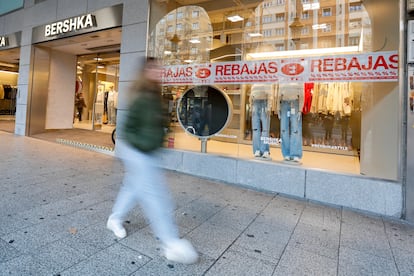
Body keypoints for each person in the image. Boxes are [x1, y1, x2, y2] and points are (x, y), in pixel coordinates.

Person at [106, 57, 199, 264]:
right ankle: (170, 242)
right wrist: (145, 143)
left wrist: (163, 137)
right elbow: (127, 129)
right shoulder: (140, 96)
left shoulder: (156, 95)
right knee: (155, 196)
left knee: (132, 188)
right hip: (138, 152)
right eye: (154, 69)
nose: (159, 72)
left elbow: (159, 123)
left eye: (159, 69)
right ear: (145, 71)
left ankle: (115, 219)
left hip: (149, 152)